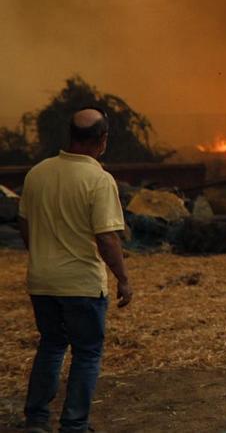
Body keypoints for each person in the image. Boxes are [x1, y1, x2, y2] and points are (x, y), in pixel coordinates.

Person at [18, 109, 133, 433]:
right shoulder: (98, 180)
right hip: (81, 285)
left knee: (52, 345)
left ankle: (37, 420)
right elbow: (107, 238)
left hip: (42, 282)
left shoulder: (37, 173)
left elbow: (24, 224)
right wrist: (123, 279)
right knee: (87, 353)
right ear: (102, 140)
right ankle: (74, 425)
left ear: (70, 136)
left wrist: (42, 255)